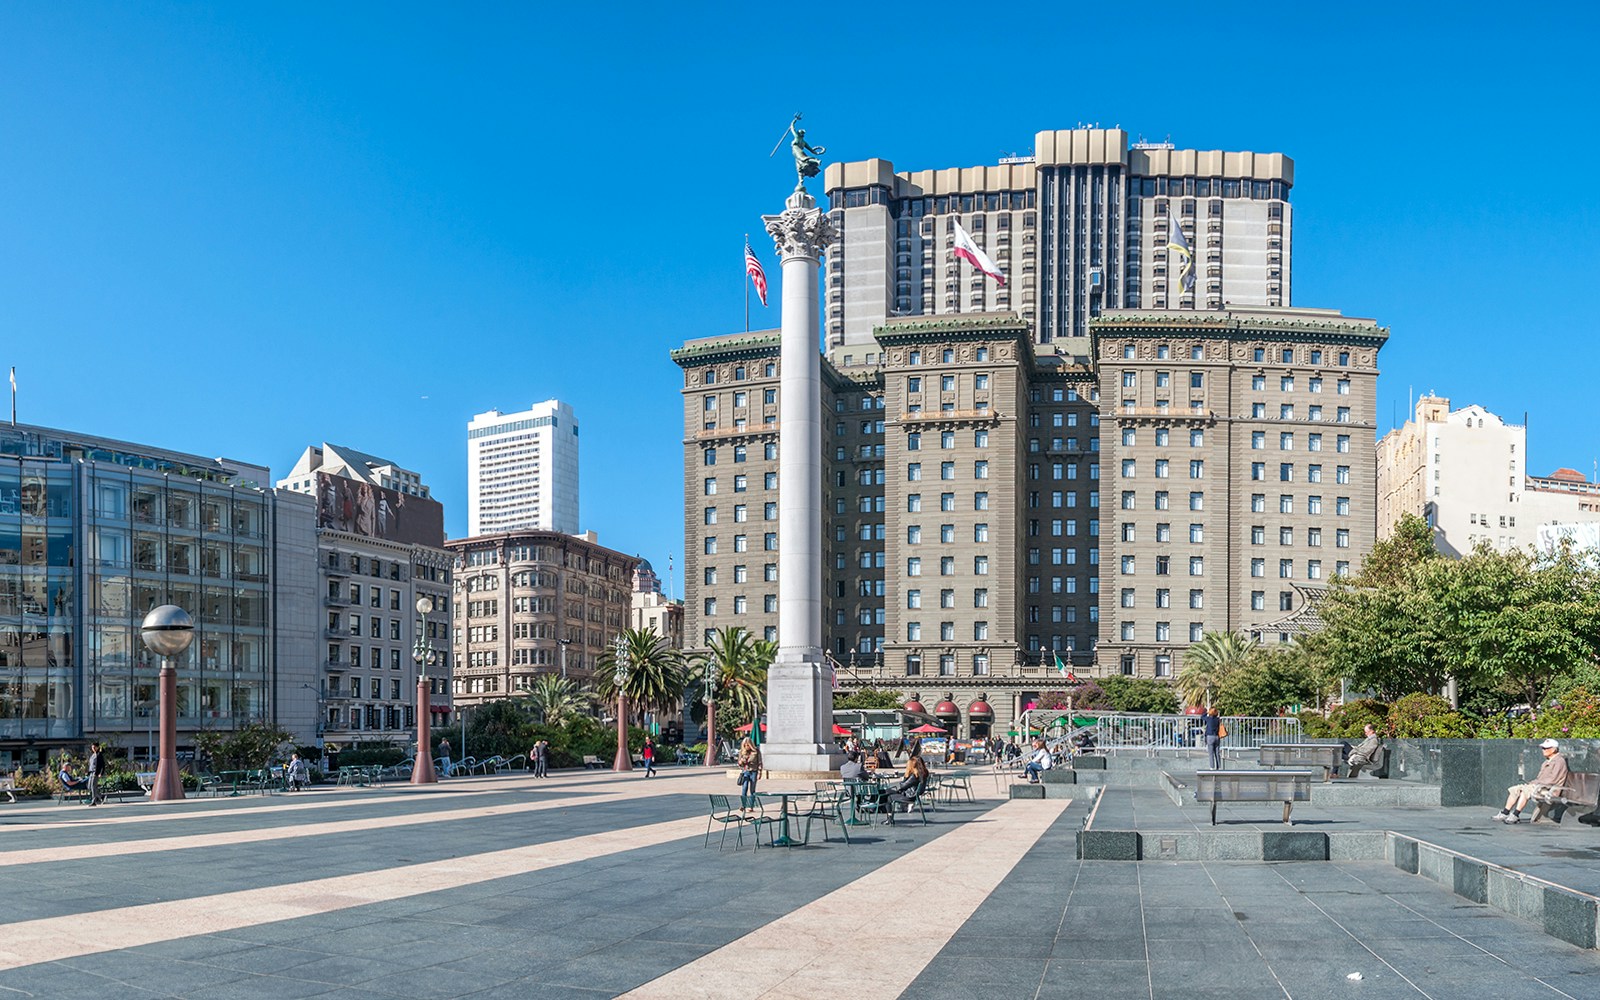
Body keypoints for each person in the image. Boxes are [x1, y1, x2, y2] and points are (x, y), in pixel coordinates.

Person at [1495, 739, 1571, 824]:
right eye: (1543, 748)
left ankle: (1516, 815)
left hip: (1550, 789)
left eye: (1546, 748)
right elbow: (1539, 777)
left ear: (1553, 749)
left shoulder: (1559, 761)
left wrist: (1536, 783)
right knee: (1515, 789)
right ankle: (1505, 813)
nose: (1543, 750)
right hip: (1540, 786)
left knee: (1526, 790)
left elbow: (1553, 779)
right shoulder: (1547, 761)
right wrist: (1533, 782)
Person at [737, 737, 762, 812]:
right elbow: (739, 764)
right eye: (744, 745)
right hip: (745, 771)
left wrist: (760, 772)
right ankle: (743, 805)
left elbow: (760, 762)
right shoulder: (742, 752)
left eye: (747, 745)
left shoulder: (756, 751)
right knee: (744, 788)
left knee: (752, 790)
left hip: (754, 771)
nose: (746, 747)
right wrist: (741, 762)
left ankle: (751, 806)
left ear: (750, 745)